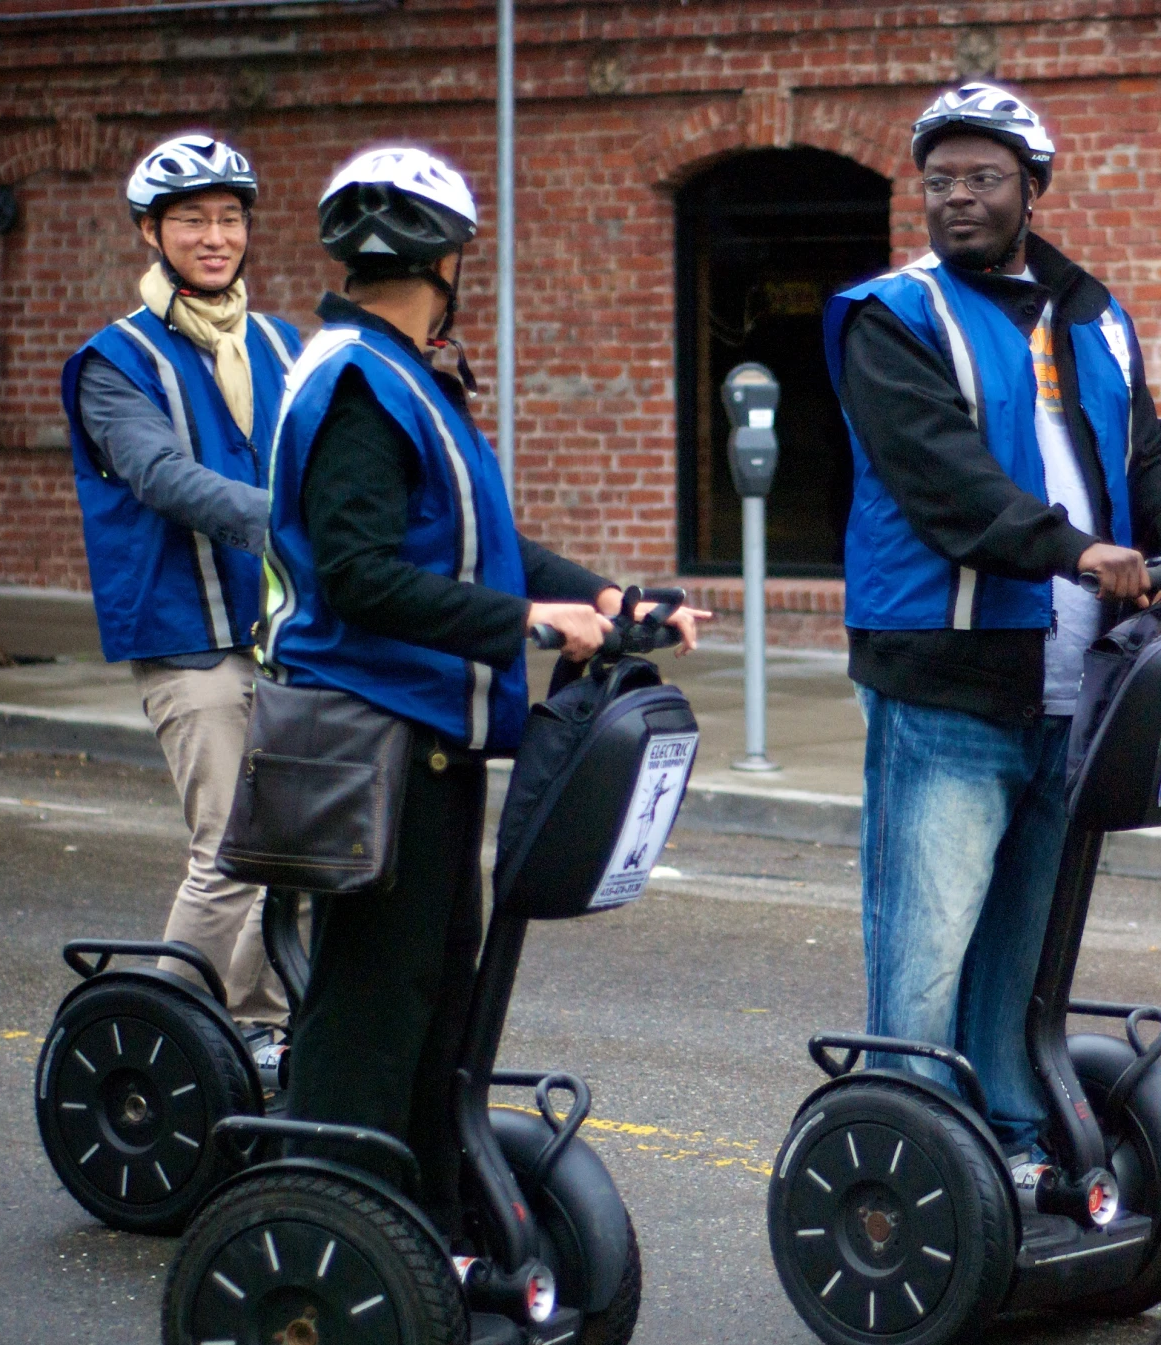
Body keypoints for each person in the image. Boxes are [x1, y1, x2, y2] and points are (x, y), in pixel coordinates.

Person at [261, 147, 705, 1223]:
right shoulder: (360, 382)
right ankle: (322, 1237)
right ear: (450, 256)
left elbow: (483, 549)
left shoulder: (404, 373)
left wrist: (602, 597)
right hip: (373, 740)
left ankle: (412, 1224)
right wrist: (524, 621)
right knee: (373, 1009)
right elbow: (361, 578)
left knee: (431, 997)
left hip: (428, 741)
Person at [825, 82, 1161, 1174]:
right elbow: (940, 480)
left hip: (1077, 684)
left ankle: (1008, 1139)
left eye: (983, 178)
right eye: (940, 179)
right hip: (947, 680)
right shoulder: (892, 316)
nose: (956, 198)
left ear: (1031, 188)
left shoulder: (1091, 315)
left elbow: (1145, 453)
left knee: (1022, 953)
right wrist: (1074, 550)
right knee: (925, 958)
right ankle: (905, 1169)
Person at [61, 135, 299, 1045]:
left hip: (282, 634)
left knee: (293, 848)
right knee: (232, 850)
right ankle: (162, 1044)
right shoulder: (115, 361)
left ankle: (262, 1030)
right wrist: (290, 523)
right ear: (151, 233)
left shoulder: (280, 343)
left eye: (229, 218)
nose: (214, 236)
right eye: (192, 220)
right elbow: (161, 476)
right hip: (187, 637)